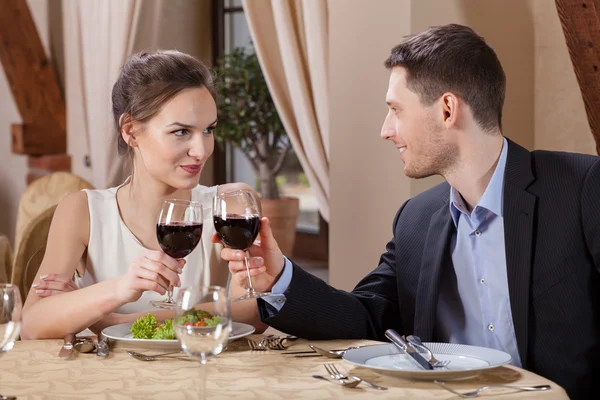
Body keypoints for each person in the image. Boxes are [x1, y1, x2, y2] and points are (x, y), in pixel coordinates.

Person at [216, 24, 599, 399]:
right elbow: (367, 317)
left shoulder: (580, 187)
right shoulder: (417, 218)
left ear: (447, 109)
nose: (386, 129)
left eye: (396, 110)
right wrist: (278, 276)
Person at [21, 50, 265, 340]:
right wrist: (120, 289)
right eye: (181, 132)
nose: (201, 151)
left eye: (208, 130)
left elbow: (253, 312)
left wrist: (111, 319)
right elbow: (32, 325)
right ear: (131, 132)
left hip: (204, 372)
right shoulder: (83, 210)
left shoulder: (231, 205)